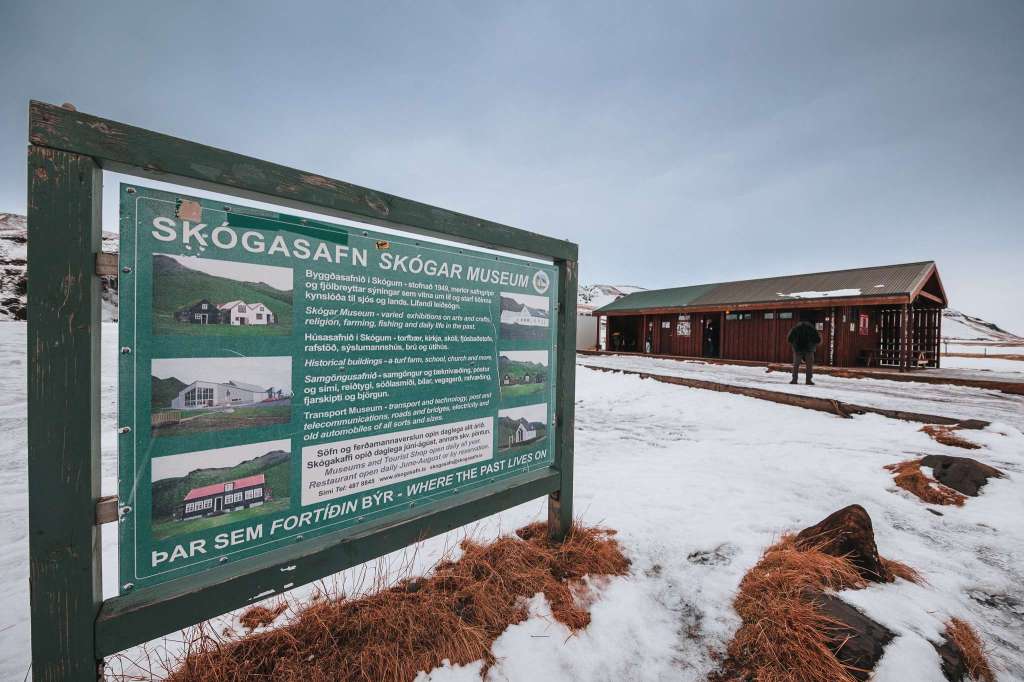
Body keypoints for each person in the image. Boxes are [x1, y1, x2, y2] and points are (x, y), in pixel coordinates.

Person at [787, 318, 821, 385]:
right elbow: (818, 340)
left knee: (796, 365)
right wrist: (812, 345)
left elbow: (789, 339)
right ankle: (808, 380)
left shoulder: (795, 329)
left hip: (797, 350)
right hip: (809, 350)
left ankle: (794, 380)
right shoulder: (812, 329)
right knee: (809, 366)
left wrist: (794, 345)